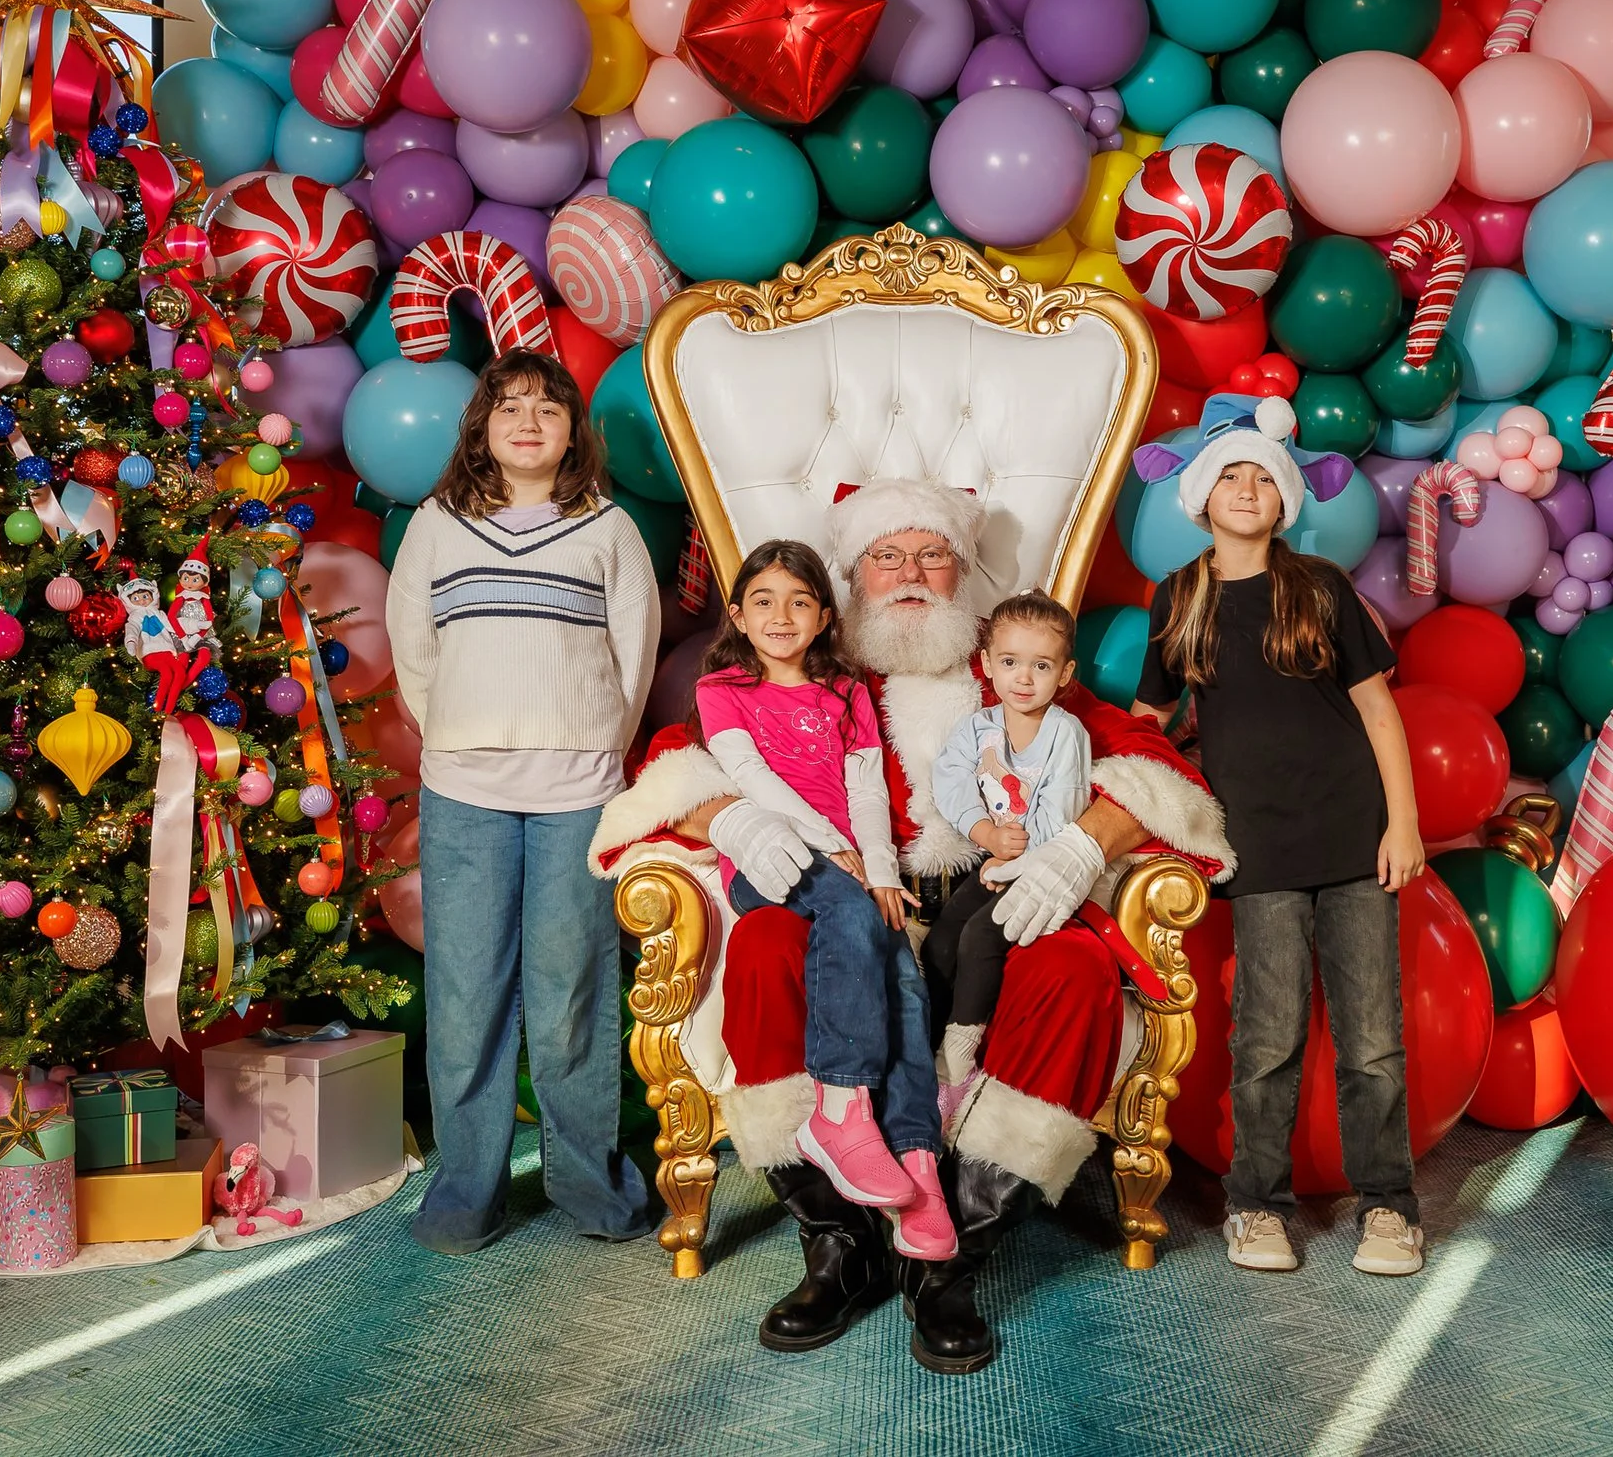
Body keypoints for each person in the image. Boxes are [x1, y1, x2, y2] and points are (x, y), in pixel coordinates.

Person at [591, 477, 1235, 1374]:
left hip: (991, 891)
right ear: (850, 579)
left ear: (961, 569)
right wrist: (727, 816)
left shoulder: (1012, 659)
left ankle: (951, 1254)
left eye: (932, 554)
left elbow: (1150, 760)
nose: (909, 574)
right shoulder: (815, 667)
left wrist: (1082, 846)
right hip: (850, 891)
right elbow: (678, 755)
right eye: (885, 555)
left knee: (1074, 971)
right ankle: (838, 1240)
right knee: (770, 944)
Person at [1129, 393, 1430, 1279]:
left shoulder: (1321, 588)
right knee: (1267, 1036)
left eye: (1263, 478)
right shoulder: (1179, 598)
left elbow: (1378, 712)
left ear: (1286, 499)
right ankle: (1255, 1205)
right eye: (1230, 476)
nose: (1247, 489)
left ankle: (1389, 1206)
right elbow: (1149, 719)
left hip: (1354, 838)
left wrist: (1404, 823)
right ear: (1200, 496)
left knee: (1373, 1040)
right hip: (1255, 849)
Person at [385, 349, 661, 1255]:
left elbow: (634, 658)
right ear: (483, 429)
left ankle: (590, 1183)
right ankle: (469, 1192)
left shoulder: (609, 528)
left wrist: (594, 745)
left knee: (570, 987)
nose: (529, 422)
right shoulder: (438, 525)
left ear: (574, 431)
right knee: (466, 994)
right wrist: (458, 732)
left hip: (578, 787)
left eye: (548, 408)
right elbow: (413, 647)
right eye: (510, 408)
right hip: (464, 787)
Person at [692, 538, 957, 1258]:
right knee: (848, 908)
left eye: (800, 602)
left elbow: (866, 792)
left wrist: (880, 872)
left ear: (825, 616)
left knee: (902, 973)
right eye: (763, 601)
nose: (781, 616)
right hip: (771, 860)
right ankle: (839, 1111)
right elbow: (753, 780)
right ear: (738, 616)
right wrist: (830, 849)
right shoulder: (722, 691)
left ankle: (917, 1159)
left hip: (849, 863)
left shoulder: (846, 692)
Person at [925, 590, 1093, 1123]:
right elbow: (950, 780)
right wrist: (985, 834)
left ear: (1064, 673)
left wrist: (1012, 861)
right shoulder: (977, 729)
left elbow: (1062, 811)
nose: (1024, 678)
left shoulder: (1065, 734)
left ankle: (958, 1063)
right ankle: (926, 1046)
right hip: (994, 860)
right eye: (1010, 662)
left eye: (1041, 666)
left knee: (980, 936)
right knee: (943, 936)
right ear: (987, 664)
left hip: (1042, 871)